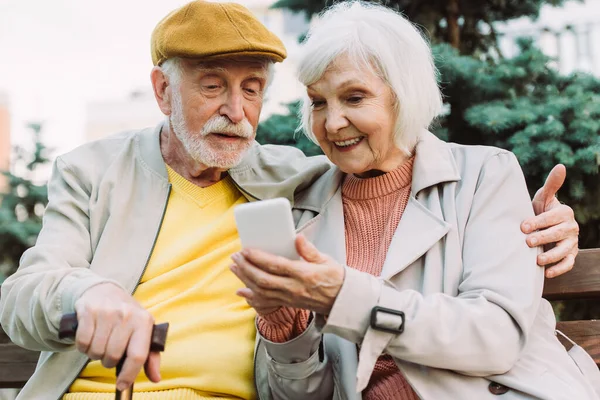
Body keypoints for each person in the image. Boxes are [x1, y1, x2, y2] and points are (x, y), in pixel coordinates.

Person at [0, 1, 579, 399]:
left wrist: (549, 223)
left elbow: (493, 325)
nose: (237, 111)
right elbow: (27, 291)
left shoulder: (306, 183)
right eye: (211, 86)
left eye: (252, 89)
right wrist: (89, 289)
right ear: (161, 90)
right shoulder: (99, 171)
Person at [229, 2, 599, 399]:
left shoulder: (484, 175)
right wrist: (289, 335)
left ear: (403, 96)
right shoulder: (304, 209)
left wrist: (344, 295)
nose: (332, 122)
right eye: (318, 102)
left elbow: (496, 339)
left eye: (354, 98)